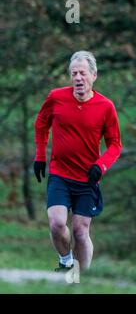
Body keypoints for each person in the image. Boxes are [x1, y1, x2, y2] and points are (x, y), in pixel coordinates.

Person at [34, 50, 122, 271]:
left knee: (80, 232)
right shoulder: (56, 97)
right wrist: (39, 156)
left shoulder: (105, 106)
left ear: (94, 75)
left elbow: (115, 144)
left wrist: (101, 165)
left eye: (82, 73)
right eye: (74, 74)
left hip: (87, 178)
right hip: (59, 173)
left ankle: (81, 277)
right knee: (57, 223)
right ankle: (65, 261)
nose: (78, 78)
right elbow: (41, 124)